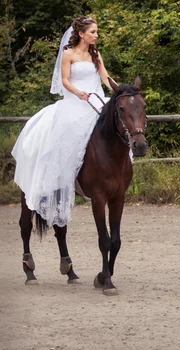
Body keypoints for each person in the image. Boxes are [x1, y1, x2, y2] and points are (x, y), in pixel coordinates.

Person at [12, 16, 115, 227]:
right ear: (81, 34)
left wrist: (120, 91)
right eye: (93, 32)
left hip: (96, 99)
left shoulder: (95, 54)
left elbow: (105, 77)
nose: (97, 35)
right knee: (64, 134)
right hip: (75, 100)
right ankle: (59, 178)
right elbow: (65, 80)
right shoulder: (68, 54)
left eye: (96, 32)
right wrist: (78, 93)